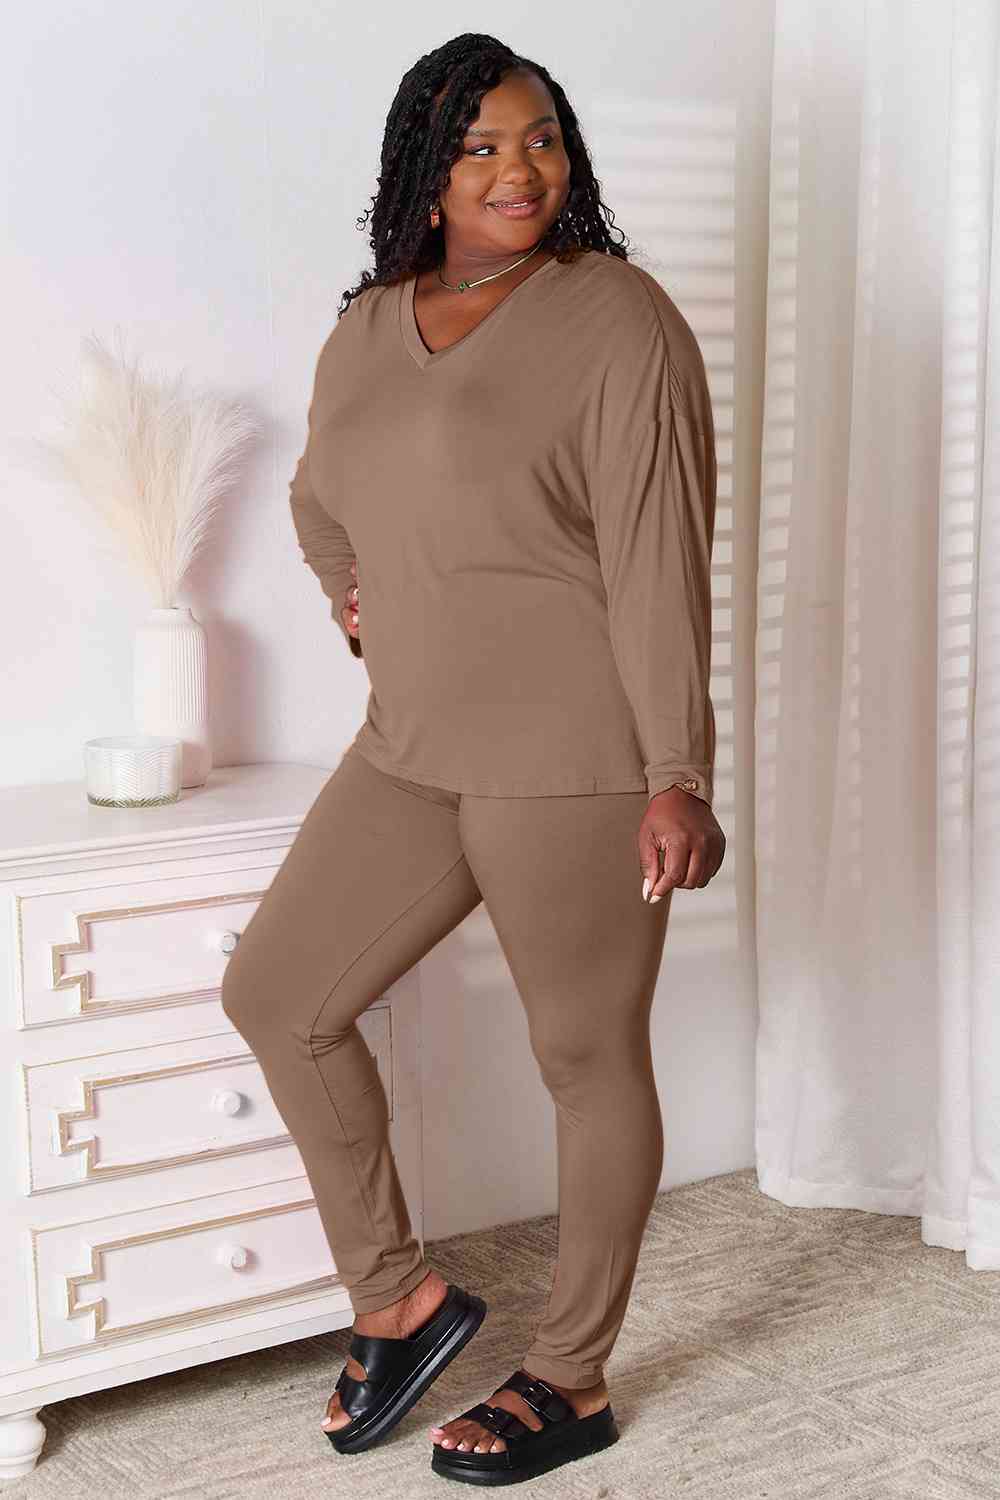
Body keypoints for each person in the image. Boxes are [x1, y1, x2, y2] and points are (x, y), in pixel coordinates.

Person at [221, 31, 725, 1488]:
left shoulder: (617, 317)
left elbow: (657, 557)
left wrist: (677, 768)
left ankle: (571, 1374)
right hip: (412, 747)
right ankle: (401, 1301)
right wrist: (356, 600)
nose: (521, 170)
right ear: (425, 173)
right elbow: (321, 499)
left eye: (543, 138)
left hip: (572, 756)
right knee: (281, 996)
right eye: (482, 145)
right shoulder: (372, 325)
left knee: (583, 1058)